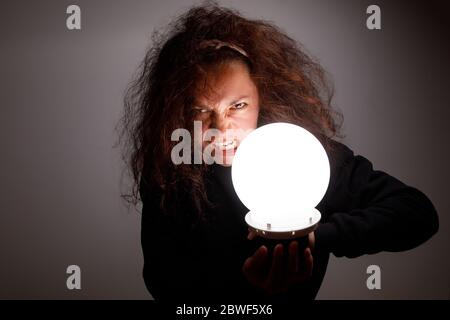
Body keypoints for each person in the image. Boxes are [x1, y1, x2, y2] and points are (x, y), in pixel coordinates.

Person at [118, 3, 439, 301]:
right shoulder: (171, 174)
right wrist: (247, 292)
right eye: (201, 109)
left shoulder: (305, 159)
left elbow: (416, 213)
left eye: (238, 105)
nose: (221, 126)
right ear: (178, 111)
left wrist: (314, 239)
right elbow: (163, 283)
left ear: (263, 96)